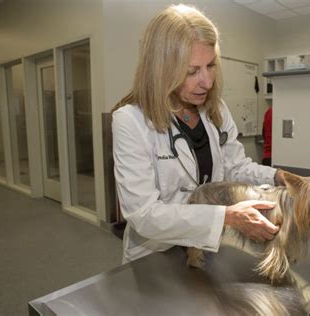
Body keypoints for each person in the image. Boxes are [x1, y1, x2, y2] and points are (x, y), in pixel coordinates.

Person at [112, 4, 285, 263]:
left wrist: (278, 176)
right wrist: (226, 216)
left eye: (211, 66)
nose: (207, 81)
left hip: (208, 245)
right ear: (161, 69)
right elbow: (144, 216)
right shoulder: (130, 121)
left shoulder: (215, 110)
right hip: (157, 255)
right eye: (192, 71)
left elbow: (235, 167)